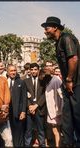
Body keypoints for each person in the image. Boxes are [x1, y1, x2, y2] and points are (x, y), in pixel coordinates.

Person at [41, 16, 80, 146]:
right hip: (68, 85)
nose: (45, 31)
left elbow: (73, 59)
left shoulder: (66, 38)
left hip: (75, 84)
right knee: (67, 118)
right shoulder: (58, 42)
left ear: (55, 27)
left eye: (47, 28)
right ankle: (69, 143)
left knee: (77, 116)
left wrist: (69, 80)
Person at [24, 63, 46, 147]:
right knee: (28, 131)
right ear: (29, 70)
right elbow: (24, 96)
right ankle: (27, 145)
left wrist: (36, 105)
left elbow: (44, 95)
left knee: (41, 130)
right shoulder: (25, 81)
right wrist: (29, 106)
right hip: (29, 110)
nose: (33, 71)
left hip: (39, 109)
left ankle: (42, 145)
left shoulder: (43, 81)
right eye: (32, 69)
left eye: (35, 69)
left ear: (38, 70)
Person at [41, 66, 64, 147]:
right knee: (55, 130)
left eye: (46, 73)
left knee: (57, 130)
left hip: (56, 110)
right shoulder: (49, 80)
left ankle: (58, 145)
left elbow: (61, 96)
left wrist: (59, 110)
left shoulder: (56, 80)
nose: (43, 75)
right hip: (51, 110)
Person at [7, 64, 27, 147]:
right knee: (9, 133)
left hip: (18, 112)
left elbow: (24, 98)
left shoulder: (21, 82)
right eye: (11, 71)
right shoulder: (4, 82)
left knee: (19, 132)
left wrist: (23, 111)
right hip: (7, 113)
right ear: (8, 72)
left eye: (14, 70)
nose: (13, 72)